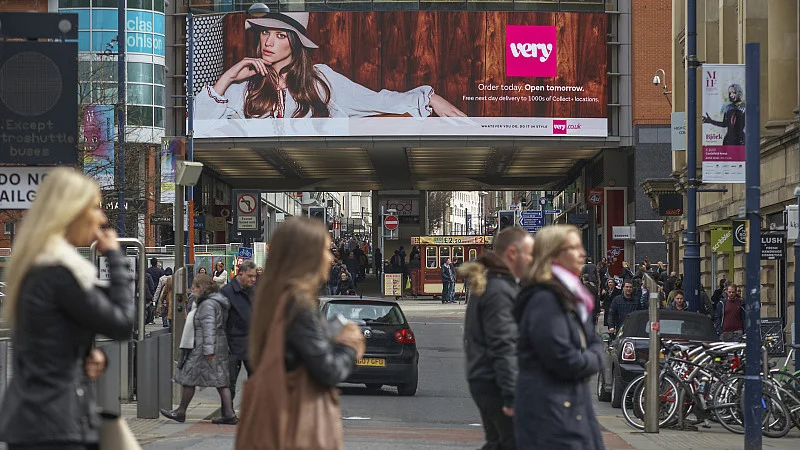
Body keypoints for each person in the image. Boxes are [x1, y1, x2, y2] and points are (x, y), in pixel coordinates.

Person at [0, 168, 136, 450]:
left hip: (41, 421)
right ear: (71, 212)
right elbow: (122, 322)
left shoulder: (40, 267)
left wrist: (89, 354)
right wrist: (114, 256)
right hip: (53, 426)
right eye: (95, 208)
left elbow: (52, 339)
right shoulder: (58, 273)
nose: (102, 218)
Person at [196, 12, 465, 123]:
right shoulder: (244, 86)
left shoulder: (320, 79)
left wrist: (427, 98)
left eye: (280, 36)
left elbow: (373, 100)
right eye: (265, 32)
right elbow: (198, 126)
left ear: (295, 44)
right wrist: (228, 77)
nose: (268, 42)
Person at [239, 217, 365, 447]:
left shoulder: (272, 299)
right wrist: (349, 345)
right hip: (296, 425)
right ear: (307, 255)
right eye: (326, 250)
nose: (331, 258)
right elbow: (327, 370)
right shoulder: (299, 305)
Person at [513, 225, 604, 449]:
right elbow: (563, 359)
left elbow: (592, 342)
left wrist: (593, 354)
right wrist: (594, 360)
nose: (582, 253)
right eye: (573, 248)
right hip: (551, 412)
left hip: (567, 407)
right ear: (553, 254)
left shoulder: (571, 297)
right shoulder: (545, 299)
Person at [459, 227, 535, 450]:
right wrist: (512, 396)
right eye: (529, 253)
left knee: (499, 444)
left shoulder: (493, 284)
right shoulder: (500, 290)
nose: (531, 260)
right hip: (496, 384)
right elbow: (504, 346)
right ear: (512, 253)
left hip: (486, 380)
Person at [161, 273, 237, 425]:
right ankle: (228, 413)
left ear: (201, 288)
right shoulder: (213, 301)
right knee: (220, 381)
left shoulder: (207, 304)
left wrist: (209, 350)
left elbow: (209, 327)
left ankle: (181, 412)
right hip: (213, 345)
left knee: (190, 378)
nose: (192, 290)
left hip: (204, 347)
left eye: (195, 287)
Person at [220, 261, 258, 401]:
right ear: (240, 274)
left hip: (251, 343)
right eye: (250, 276)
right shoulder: (226, 292)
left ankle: (253, 414)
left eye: (254, 276)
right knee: (229, 382)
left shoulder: (254, 291)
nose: (253, 279)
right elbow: (221, 320)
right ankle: (227, 413)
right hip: (232, 343)